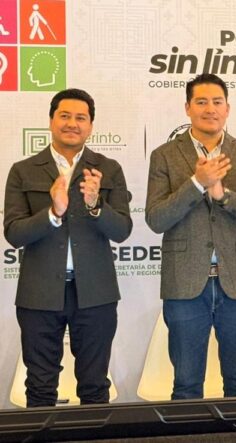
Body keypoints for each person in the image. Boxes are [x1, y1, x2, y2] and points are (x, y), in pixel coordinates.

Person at [145, 73, 236, 400]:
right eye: (201, 102)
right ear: (187, 108)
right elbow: (156, 218)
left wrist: (223, 196)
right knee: (186, 384)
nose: (210, 109)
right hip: (185, 284)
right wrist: (196, 184)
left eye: (217, 102)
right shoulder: (164, 155)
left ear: (227, 108)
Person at [4, 88, 132, 407]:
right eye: (64, 116)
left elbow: (122, 230)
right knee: (40, 386)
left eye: (80, 118)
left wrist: (95, 205)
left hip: (96, 293)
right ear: (51, 121)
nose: (72, 123)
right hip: (39, 293)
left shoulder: (108, 168)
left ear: (90, 126)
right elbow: (14, 233)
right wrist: (53, 212)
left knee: (94, 385)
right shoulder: (23, 170)